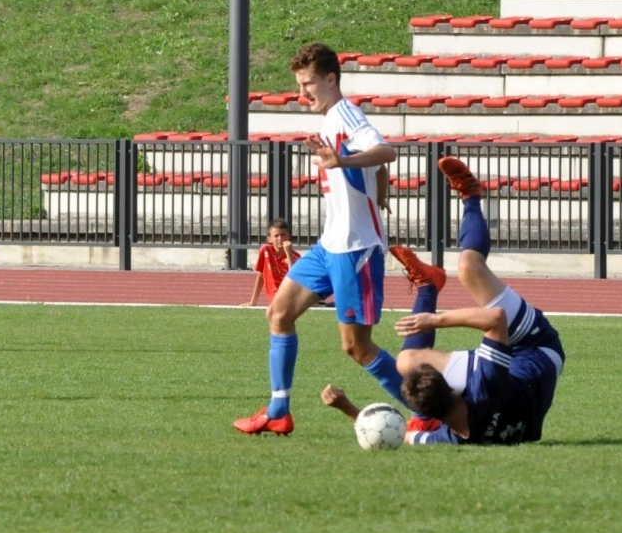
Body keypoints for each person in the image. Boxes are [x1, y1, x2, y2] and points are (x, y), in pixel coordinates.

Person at [321, 155, 565, 446]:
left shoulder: (450, 438)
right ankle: (471, 197)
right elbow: (495, 318)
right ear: (454, 388)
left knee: (408, 362)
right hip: (538, 347)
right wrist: (435, 320)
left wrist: (348, 409)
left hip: (522, 386)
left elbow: (400, 436)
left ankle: (427, 286)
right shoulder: (484, 387)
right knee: (469, 269)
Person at [233, 42, 402, 437]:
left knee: (357, 348)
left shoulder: (346, 114)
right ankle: (278, 411)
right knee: (278, 313)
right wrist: (380, 194)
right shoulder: (329, 120)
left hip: (356, 250)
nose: (301, 92)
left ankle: (435, 414)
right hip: (330, 246)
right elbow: (379, 167)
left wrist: (342, 161)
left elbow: (385, 151)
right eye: (299, 84)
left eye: (308, 84)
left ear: (330, 79)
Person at [244, 218, 303, 307]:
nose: (280, 238)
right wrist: (253, 302)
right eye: (276, 236)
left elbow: (294, 280)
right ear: (270, 239)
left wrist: (289, 254)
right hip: (276, 296)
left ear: (288, 236)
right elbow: (260, 276)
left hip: (291, 295)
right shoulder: (265, 250)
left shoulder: (296, 257)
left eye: (283, 235)